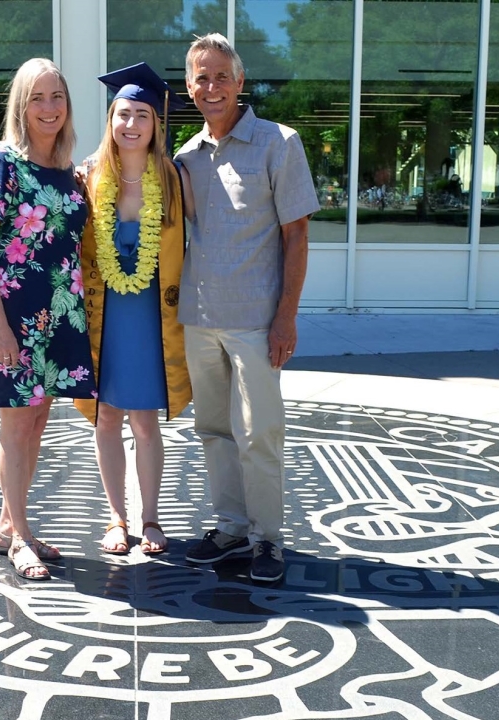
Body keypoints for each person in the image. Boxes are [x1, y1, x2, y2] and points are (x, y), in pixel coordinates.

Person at [174, 33, 319, 583]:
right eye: (200, 78)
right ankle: (231, 528)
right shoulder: (185, 157)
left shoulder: (279, 143)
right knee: (214, 429)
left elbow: (297, 236)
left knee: (261, 432)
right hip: (200, 317)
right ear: (190, 88)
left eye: (220, 76)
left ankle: (267, 540)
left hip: (257, 321)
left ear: (239, 82)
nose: (211, 87)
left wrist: (287, 316)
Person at [0, 58, 95, 581]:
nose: (49, 108)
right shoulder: (1, 164)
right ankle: (20, 537)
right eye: (38, 98)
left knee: (37, 420)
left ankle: (8, 524)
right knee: (17, 425)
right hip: (12, 313)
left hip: (57, 311)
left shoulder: (65, 169)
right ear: (21, 105)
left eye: (57, 96)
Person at [74, 63, 192, 557]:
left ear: (156, 124)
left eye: (142, 114)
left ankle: (150, 519)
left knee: (144, 422)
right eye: (123, 113)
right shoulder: (87, 177)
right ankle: (115, 518)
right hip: (104, 317)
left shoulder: (173, 179)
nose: (131, 124)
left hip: (151, 319)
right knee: (106, 418)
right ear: (111, 120)